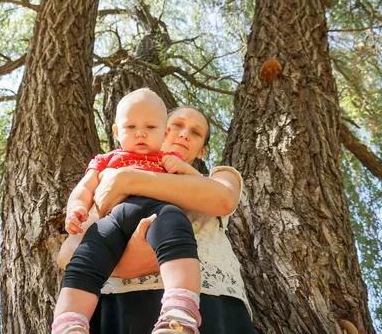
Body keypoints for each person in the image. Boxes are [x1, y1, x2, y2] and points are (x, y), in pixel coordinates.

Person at [55, 105, 256, 334]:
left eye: (195, 132)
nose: (184, 134)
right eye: (176, 125)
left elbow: (223, 199)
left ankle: (181, 312)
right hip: (117, 301)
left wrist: (127, 179)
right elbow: (69, 253)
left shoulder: (215, 177)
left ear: (202, 151)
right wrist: (128, 265)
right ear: (161, 131)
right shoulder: (109, 174)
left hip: (207, 300)